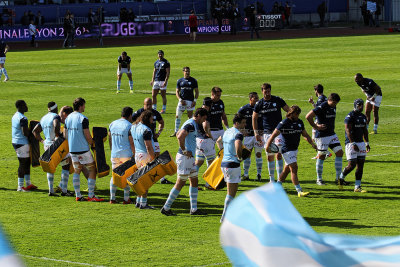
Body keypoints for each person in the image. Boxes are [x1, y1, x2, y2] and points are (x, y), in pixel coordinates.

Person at [161, 108, 209, 216]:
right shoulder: (191, 125)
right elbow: (180, 135)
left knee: (194, 181)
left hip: (189, 158)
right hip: (185, 158)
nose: (204, 121)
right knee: (180, 183)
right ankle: (166, 207)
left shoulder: (191, 123)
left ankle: (194, 209)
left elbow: (179, 132)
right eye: (203, 118)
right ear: (198, 116)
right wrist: (184, 150)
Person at [266, 105, 317, 197]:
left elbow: (305, 135)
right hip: (286, 149)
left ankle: (277, 186)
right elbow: (273, 134)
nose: (298, 116)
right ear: (291, 113)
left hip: (294, 149)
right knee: (294, 168)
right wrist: (268, 145)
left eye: (298, 114)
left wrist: (312, 144)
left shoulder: (300, 122)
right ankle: (299, 191)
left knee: (286, 170)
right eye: (296, 114)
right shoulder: (284, 123)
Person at [64, 97, 103, 202]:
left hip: (72, 149)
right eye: (84, 105)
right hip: (83, 150)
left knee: (77, 170)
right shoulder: (83, 118)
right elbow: (87, 135)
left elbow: (65, 135)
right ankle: (91, 195)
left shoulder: (68, 118)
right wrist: (92, 144)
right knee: (92, 169)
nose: (85, 107)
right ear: (81, 106)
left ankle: (78, 195)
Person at [253, 83, 289, 182]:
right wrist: (256, 133)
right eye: (265, 92)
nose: (267, 93)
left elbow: (288, 111)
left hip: (278, 132)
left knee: (278, 153)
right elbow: (254, 118)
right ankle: (271, 180)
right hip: (267, 133)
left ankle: (279, 179)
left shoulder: (277, 100)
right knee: (269, 156)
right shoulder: (259, 104)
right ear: (262, 92)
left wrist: (286, 122)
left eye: (269, 91)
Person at [306, 93, 344, 186]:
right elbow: (308, 116)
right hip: (322, 136)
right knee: (321, 156)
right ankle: (319, 179)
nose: (335, 105)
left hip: (331, 134)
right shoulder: (322, 106)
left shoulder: (333, 106)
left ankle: (338, 178)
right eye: (334, 103)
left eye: (336, 103)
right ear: (330, 100)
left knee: (340, 152)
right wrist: (316, 126)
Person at [132, 98, 171, 184]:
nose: (149, 106)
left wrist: (159, 133)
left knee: (157, 156)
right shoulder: (139, 112)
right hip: (143, 139)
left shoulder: (155, 112)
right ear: (144, 104)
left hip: (153, 139)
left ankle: (162, 178)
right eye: (147, 104)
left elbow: (161, 122)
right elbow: (131, 120)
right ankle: (141, 176)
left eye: (150, 104)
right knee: (145, 157)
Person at [32, 102, 65, 196]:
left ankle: (51, 190)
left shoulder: (43, 118)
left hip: (47, 145)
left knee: (49, 166)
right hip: (56, 144)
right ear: (56, 108)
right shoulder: (55, 116)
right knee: (66, 164)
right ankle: (63, 187)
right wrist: (57, 136)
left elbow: (35, 131)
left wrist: (42, 141)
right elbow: (56, 124)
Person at [219, 113, 247, 222]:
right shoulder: (238, 134)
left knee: (229, 193)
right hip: (233, 165)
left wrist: (224, 152)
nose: (245, 125)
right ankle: (225, 217)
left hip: (224, 163)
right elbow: (238, 145)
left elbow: (218, 141)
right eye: (243, 123)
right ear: (237, 123)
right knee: (231, 194)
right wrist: (239, 157)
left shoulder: (227, 131)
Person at [338, 99, 370, 193]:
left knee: (360, 165)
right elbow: (347, 130)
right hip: (351, 143)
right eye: (359, 105)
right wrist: (353, 143)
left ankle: (357, 187)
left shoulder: (363, 117)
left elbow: (364, 130)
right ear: (355, 105)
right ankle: (341, 178)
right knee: (351, 165)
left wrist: (367, 143)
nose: (361, 106)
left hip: (361, 143)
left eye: (362, 105)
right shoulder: (350, 116)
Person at [109, 106, 135, 204]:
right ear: (130, 115)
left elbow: (110, 137)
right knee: (127, 176)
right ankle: (126, 199)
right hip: (126, 155)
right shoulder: (129, 126)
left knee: (114, 175)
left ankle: (112, 198)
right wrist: (134, 153)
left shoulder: (112, 124)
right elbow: (131, 142)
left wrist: (112, 149)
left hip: (114, 154)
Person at [131, 110, 155, 209]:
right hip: (145, 156)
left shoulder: (133, 127)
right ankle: (143, 203)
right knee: (145, 181)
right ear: (147, 118)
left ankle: (138, 201)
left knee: (139, 179)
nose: (153, 121)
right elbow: (148, 146)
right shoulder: (146, 130)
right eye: (151, 119)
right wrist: (153, 159)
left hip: (137, 155)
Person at [12, 100, 37, 192]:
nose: (27, 106)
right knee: (22, 164)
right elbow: (25, 132)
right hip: (21, 142)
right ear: (21, 106)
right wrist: (34, 131)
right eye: (25, 105)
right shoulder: (23, 118)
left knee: (26, 163)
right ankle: (20, 186)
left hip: (17, 141)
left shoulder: (15, 116)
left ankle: (28, 184)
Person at [238, 92, 264, 181]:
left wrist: (264, 129)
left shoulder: (261, 107)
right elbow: (236, 120)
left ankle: (259, 175)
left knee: (258, 154)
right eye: (255, 98)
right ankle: (246, 174)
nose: (257, 100)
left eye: (258, 98)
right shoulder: (244, 109)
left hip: (259, 135)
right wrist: (242, 130)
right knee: (247, 155)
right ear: (250, 99)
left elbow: (266, 119)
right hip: (248, 136)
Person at [171, 66, 199, 137]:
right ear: (183, 72)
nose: (187, 73)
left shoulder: (193, 80)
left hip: (190, 101)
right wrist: (180, 100)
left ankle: (189, 131)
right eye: (186, 71)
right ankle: (176, 131)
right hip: (182, 101)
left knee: (190, 117)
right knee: (177, 116)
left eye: (188, 71)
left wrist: (194, 101)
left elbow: (196, 92)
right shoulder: (180, 81)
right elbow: (177, 92)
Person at [308, 84, 331, 159]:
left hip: (319, 120)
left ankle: (325, 152)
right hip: (322, 119)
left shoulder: (321, 99)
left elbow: (319, 111)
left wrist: (317, 121)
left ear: (316, 91)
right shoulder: (324, 98)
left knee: (315, 138)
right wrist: (313, 103)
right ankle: (321, 153)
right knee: (316, 138)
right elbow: (318, 109)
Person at [195, 97, 216, 172]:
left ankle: (192, 178)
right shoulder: (205, 113)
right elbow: (205, 125)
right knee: (212, 162)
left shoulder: (198, 111)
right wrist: (209, 135)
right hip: (205, 141)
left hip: (198, 140)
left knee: (199, 162)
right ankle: (208, 183)